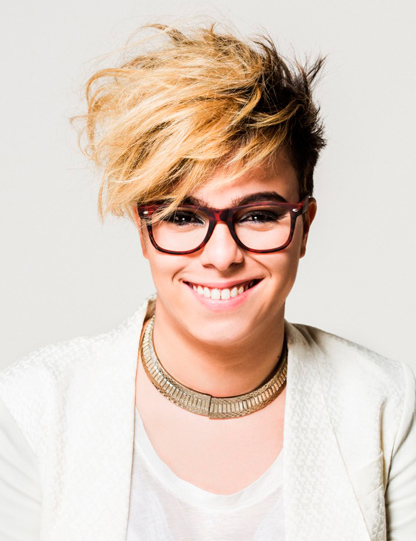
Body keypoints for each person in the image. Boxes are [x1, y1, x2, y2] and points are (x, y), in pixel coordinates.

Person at [0, 22, 415, 541]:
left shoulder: (385, 407)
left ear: (304, 226)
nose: (222, 257)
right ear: (143, 230)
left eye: (258, 215)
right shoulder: (35, 408)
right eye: (183, 217)